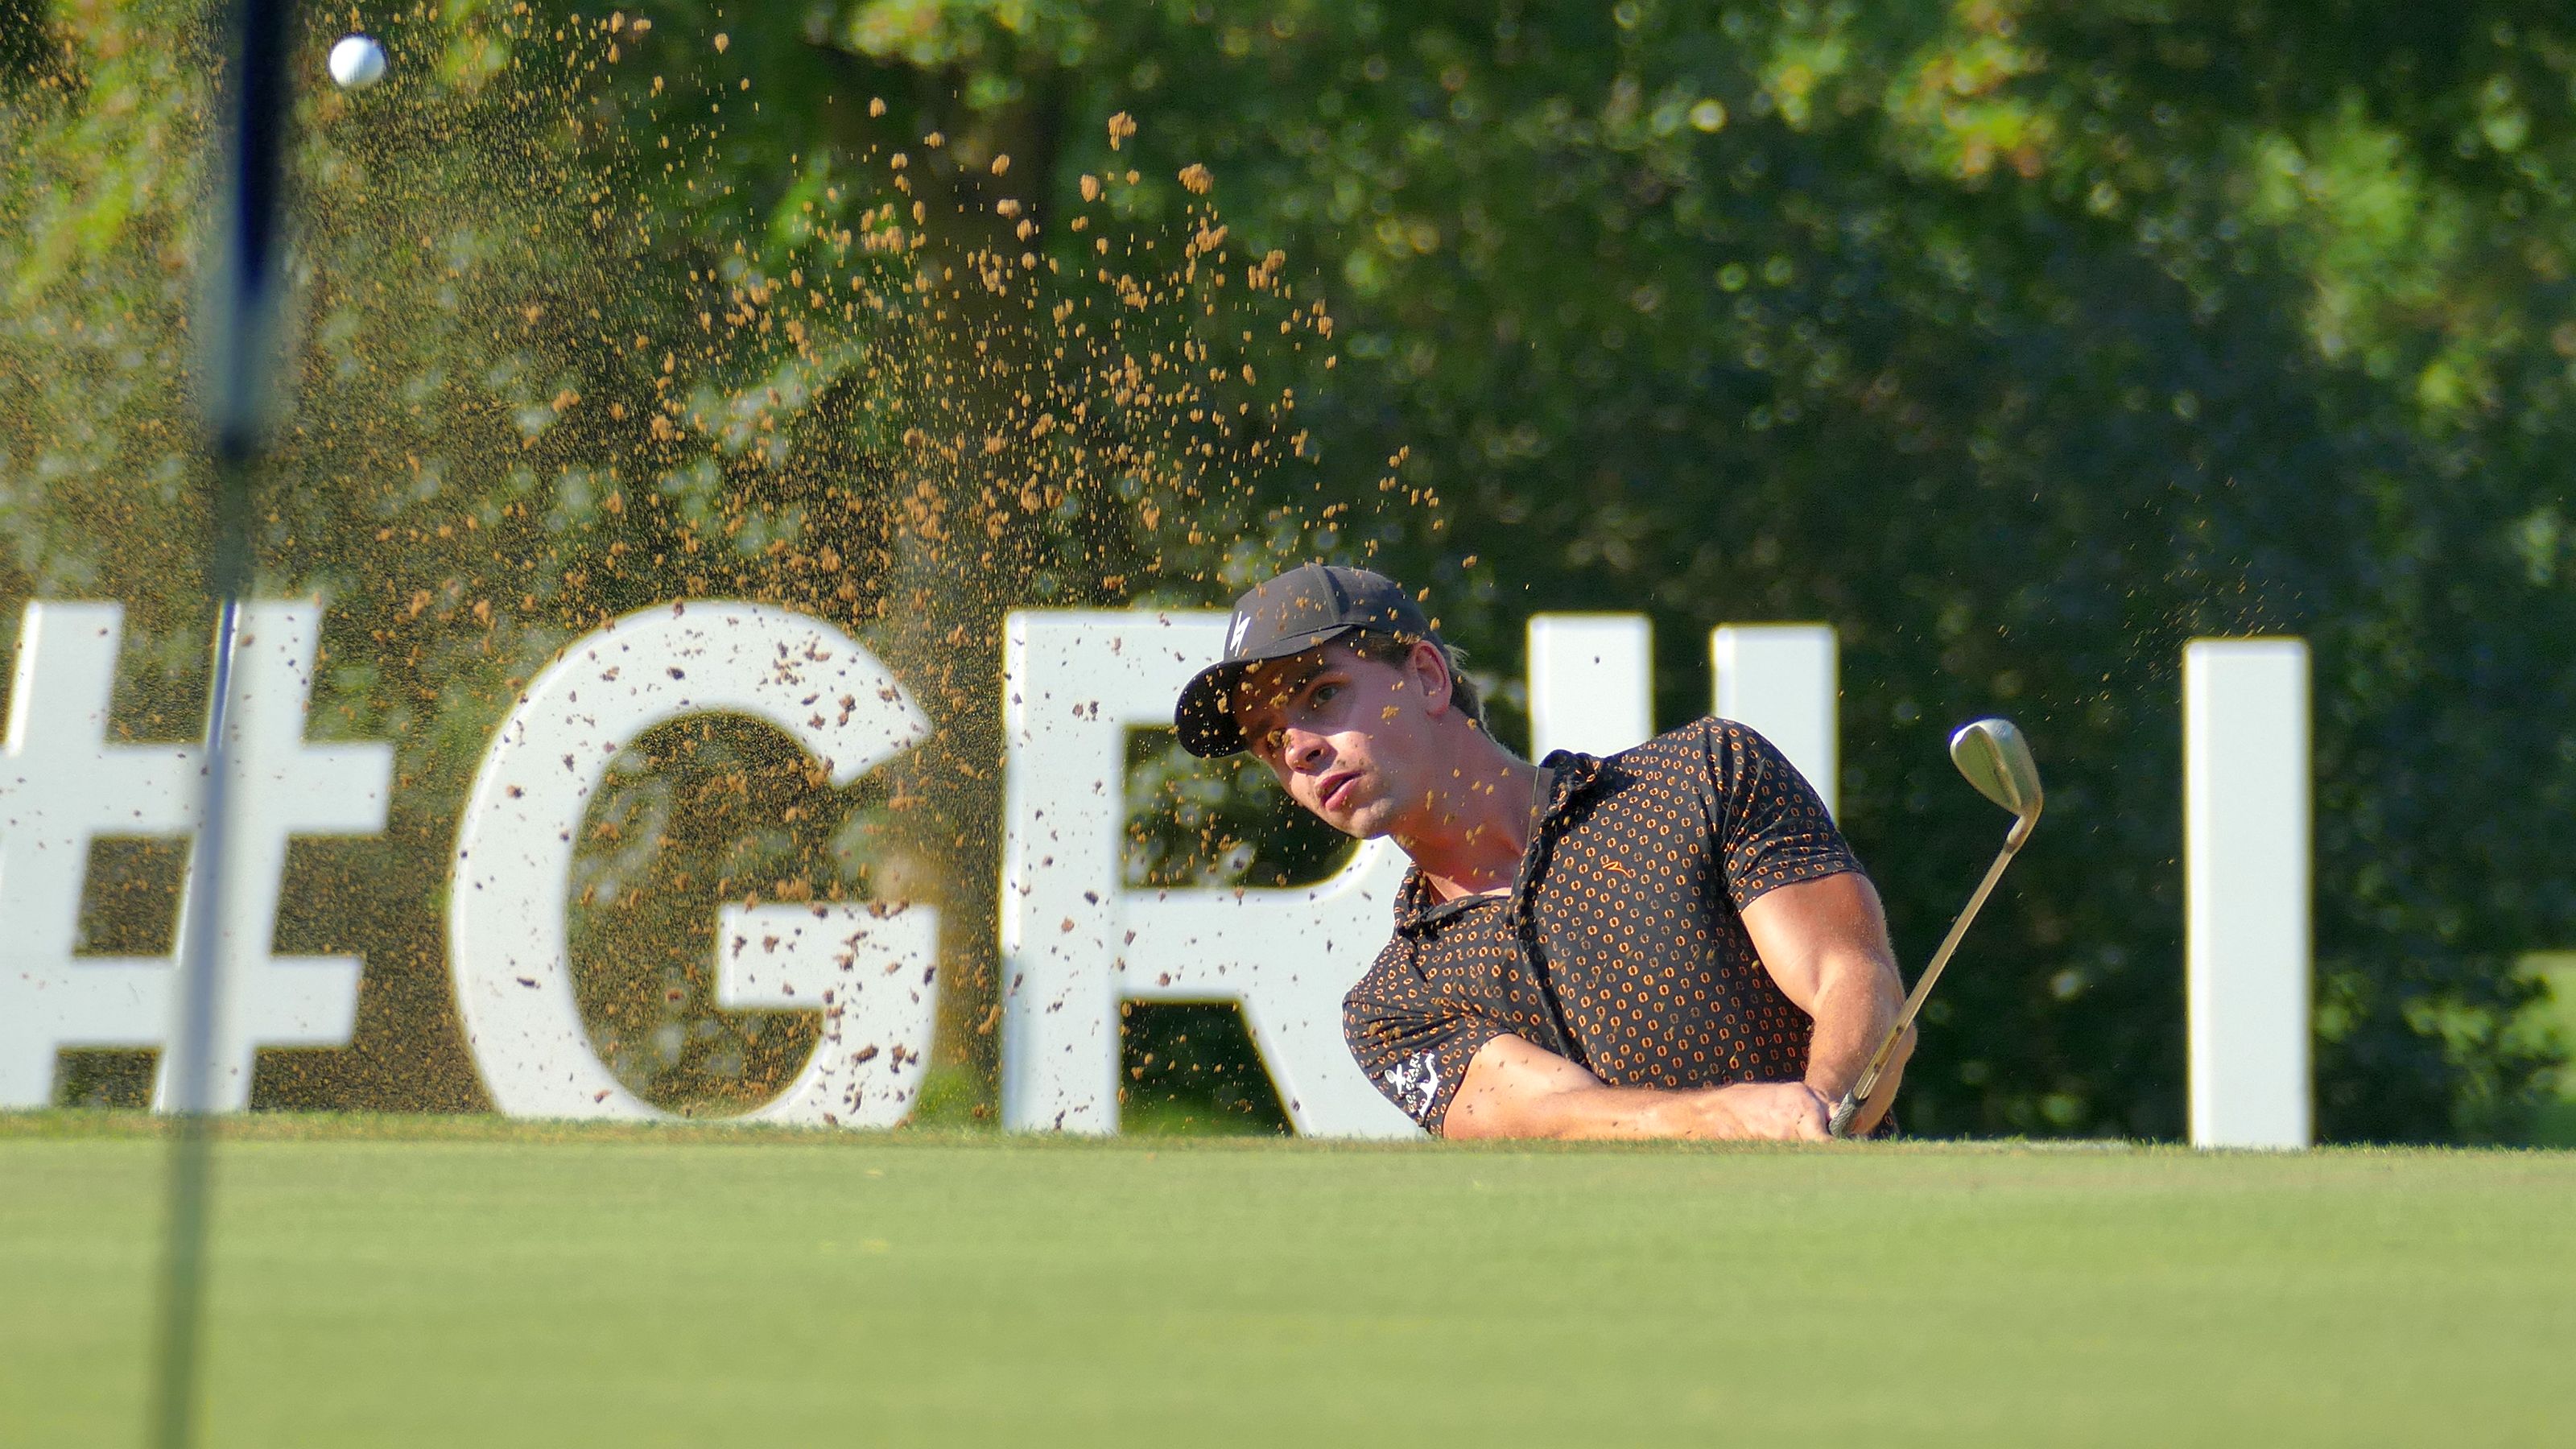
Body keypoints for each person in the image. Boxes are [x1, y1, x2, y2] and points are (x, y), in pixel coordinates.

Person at [1173, 563, 1912, 1141]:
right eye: (1270, 739)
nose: (1297, 747)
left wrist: (1825, 1105)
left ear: (1426, 677)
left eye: (1322, 695)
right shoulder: (1394, 1009)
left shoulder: (1704, 777)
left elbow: (1852, 978)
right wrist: (1722, 1121)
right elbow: (1556, 1119)